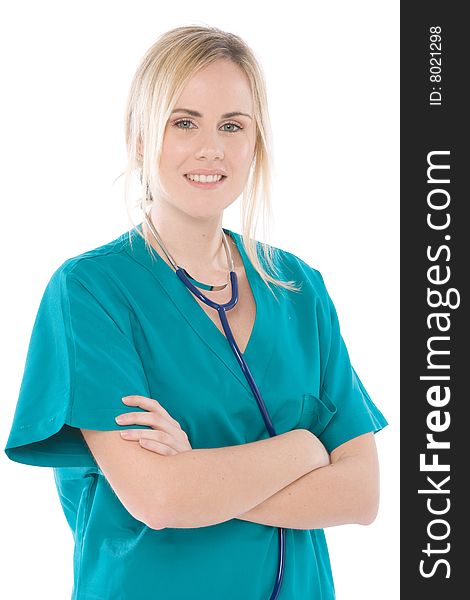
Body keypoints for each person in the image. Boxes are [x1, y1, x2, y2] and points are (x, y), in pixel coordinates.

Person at [4, 25, 388, 600]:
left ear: (256, 142)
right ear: (139, 138)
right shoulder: (90, 293)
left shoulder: (299, 289)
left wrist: (198, 476)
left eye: (232, 126)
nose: (211, 148)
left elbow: (362, 495)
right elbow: (159, 500)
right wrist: (304, 451)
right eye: (184, 122)